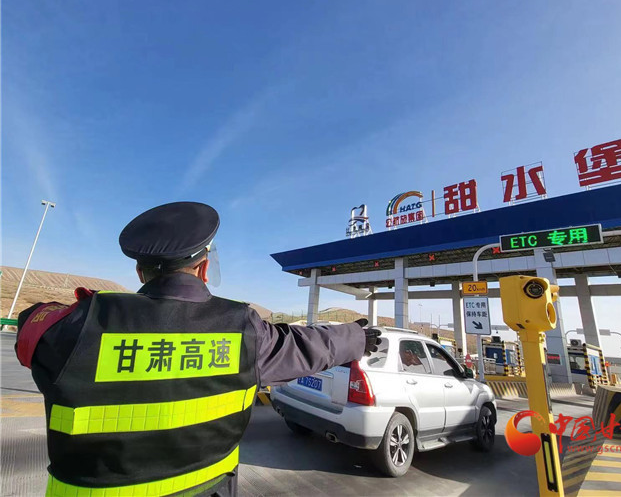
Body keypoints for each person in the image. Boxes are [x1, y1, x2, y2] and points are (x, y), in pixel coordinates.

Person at [15, 201, 380, 497]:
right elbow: (305, 346)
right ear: (204, 268)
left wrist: (85, 311)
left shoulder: (77, 327)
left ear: (141, 273)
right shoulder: (243, 329)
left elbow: (29, 324)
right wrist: (357, 338)